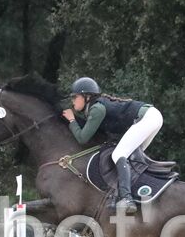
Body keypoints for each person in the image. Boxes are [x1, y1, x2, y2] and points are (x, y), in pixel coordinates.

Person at [62, 77, 163, 214]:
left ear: (87, 96)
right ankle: (134, 194)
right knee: (131, 158)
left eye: (75, 97)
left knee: (118, 154)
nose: (72, 101)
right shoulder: (96, 106)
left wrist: (72, 120)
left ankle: (127, 199)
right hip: (151, 116)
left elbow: (82, 138)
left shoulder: (97, 109)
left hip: (147, 118)